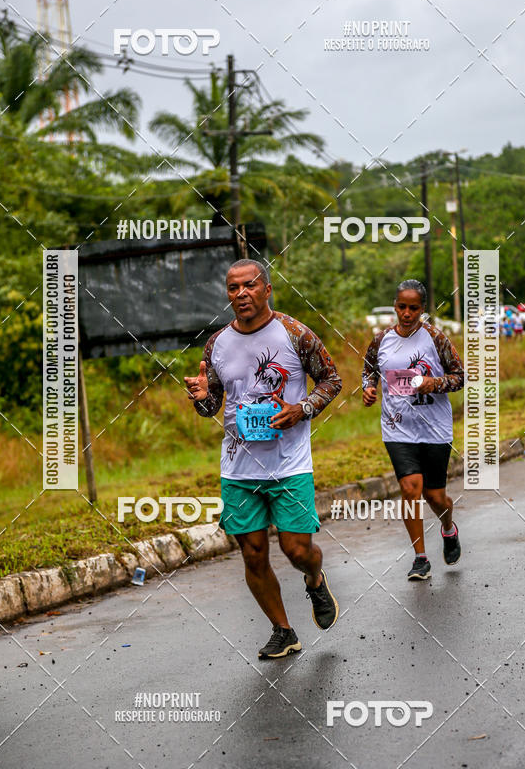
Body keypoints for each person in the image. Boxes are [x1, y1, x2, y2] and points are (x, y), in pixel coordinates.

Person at [184, 259, 342, 659]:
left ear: (267, 289)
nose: (241, 294)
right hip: (238, 468)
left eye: (249, 285)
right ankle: (283, 631)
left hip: (289, 465)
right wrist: (201, 398)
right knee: (253, 553)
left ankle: (315, 579)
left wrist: (302, 409)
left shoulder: (294, 333)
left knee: (296, 550)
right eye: (233, 288)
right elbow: (212, 405)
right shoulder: (217, 343)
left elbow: (332, 379)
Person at [361, 280, 464, 581]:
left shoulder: (435, 337)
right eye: (402, 307)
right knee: (410, 487)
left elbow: (460, 376)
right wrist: (368, 388)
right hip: (398, 428)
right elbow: (369, 370)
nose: (407, 313)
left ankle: (448, 528)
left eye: (414, 308)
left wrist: (434, 383)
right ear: (395, 306)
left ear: (422, 309)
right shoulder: (381, 340)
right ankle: (420, 557)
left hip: (434, 428)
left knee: (435, 496)